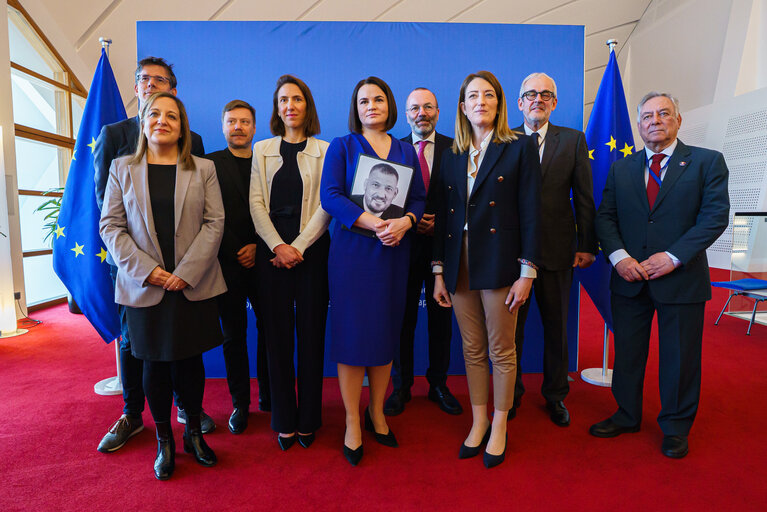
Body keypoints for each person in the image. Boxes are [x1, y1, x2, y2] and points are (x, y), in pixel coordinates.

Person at [590, 92, 729, 458]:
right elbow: (605, 217)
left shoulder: (707, 162)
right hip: (629, 278)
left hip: (680, 279)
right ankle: (626, 414)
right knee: (629, 354)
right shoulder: (623, 168)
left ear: (678, 120)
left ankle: (675, 426)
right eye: (648, 116)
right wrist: (619, 258)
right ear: (638, 126)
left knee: (679, 357)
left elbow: (714, 218)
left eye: (664, 113)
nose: (655, 120)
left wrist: (673, 256)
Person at [99, 92, 226, 480]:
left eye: (172, 115)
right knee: (152, 364)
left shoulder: (202, 168)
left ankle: (192, 435)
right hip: (144, 286)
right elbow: (111, 227)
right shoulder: (122, 168)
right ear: (144, 121)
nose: (162, 120)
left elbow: (215, 222)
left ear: (182, 125)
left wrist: (185, 271)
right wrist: (147, 271)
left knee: (190, 362)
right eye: (154, 113)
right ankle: (164, 441)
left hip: (192, 283)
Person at [432, 71, 541, 469]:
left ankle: (500, 425)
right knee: (472, 349)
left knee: (502, 350)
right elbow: (445, 218)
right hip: (458, 259)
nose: (481, 101)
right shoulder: (451, 155)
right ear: (462, 107)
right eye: (473, 96)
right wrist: (439, 271)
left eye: (489, 95)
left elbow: (531, 211)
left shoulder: (519, 147)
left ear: (500, 104)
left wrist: (527, 271)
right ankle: (478, 421)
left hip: (501, 259)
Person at [320, 76, 426, 466]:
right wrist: (373, 222)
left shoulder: (404, 149)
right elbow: (329, 195)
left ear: (390, 105)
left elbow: (417, 198)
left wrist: (406, 222)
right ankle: (351, 420)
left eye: (378, 99)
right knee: (351, 339)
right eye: (363, 101)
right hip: (352, 256)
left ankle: (377, 413)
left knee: (384, 336)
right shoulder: (343, 146)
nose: (371, 106)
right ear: (356, 108)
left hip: (393, 254)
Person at [511, 72, 597, 425]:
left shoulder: (574, 140)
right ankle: (510, 395)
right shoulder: (504, 140)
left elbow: (585, 197)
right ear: (519, 103)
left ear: (554, 103)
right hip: (513, 256)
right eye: (530, 94)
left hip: (560, 251)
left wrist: (588, 244)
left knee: (557, 329)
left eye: (546, 94)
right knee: (511, 333)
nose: (538, 99)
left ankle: (556, 395)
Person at [250, 75, 331, 450]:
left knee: (311, 337)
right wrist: (278, 246)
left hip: (312, 254)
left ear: (307, 106)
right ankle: (283, 418)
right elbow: (256, 204)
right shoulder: (262, 148)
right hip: (272, 255)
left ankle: (309, 417)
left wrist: (297, 247)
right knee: (277, 339)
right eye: (283, 100)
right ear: (276, 107)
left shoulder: (326, 150)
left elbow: (326, 206)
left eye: (297, 99)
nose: (290, 106)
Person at [385, 87, 461, 417]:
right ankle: (401, 386)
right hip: (402, 249)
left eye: (428, 107)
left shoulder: (456, 149)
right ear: (406, 114)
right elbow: (382, 198)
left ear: (438, 112)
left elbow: (463, 198)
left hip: (444, 248)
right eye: (415, 108)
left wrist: (438, 222)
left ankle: (438, 385)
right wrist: (409, 222)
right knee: (403, 320)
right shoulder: (394, 149)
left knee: (441, 319)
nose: (422, 113)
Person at [205, 100, 270, 435]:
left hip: (266, 259)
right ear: (223, 126)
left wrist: (259, 246)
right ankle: (240, 404)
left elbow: (278, 210)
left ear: (255, 128)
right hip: (226, 262)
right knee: (233, 336)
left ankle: (270, 397)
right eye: (232, 121)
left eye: (245, 122)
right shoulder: (210, 164)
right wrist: (236, 249)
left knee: (270, 331)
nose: (239, 127)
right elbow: (208, 212)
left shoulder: (268, 162)